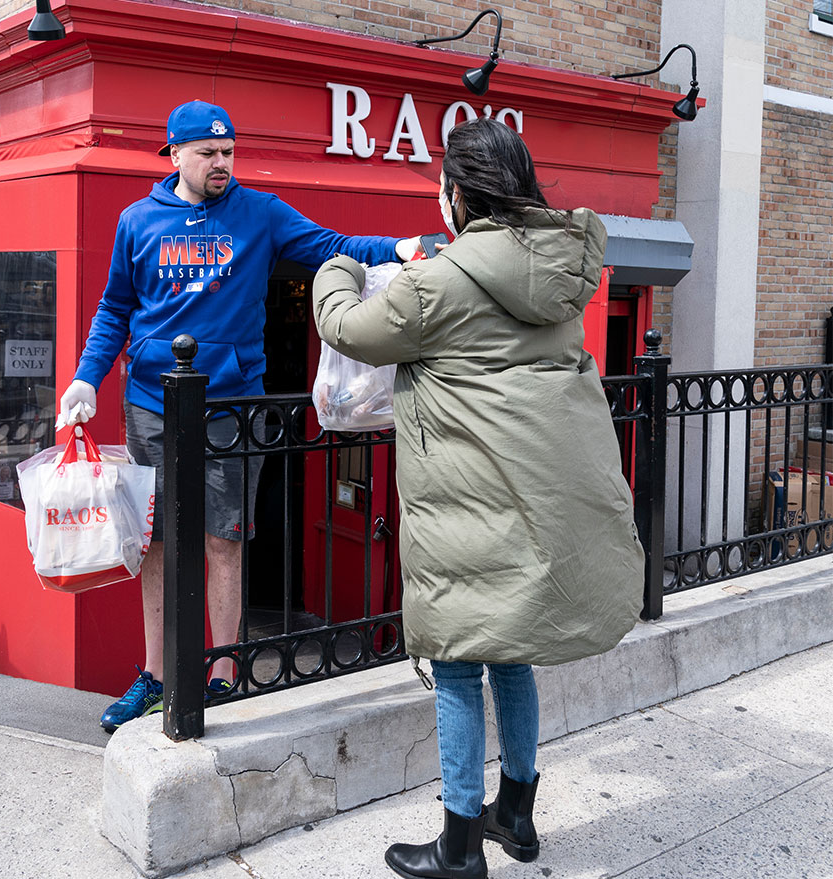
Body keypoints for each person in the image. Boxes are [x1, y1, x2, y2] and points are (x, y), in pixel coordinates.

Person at [312, 117, 644, 879]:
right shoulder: (558, 268)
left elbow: (348, 327)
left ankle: (459, 847)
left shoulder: (438, 280)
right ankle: (517, 814)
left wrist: (337, 264)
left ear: (458, 193)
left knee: (459, 660)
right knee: (512, 656)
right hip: (530, 501)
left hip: (468, 505)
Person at [57, 100, 420, 733]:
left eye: (228, 152)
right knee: (158, 544)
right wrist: (87, 377)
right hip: (151, 403)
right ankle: (157, 676)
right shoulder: (137, 222)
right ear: (175, 155)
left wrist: (400, 246)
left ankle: (224, 673)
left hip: (232, 406)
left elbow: (331, 247)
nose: (222, 162)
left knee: (224, 540)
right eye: (208, 153)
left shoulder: (261, 214)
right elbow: (115, 309)